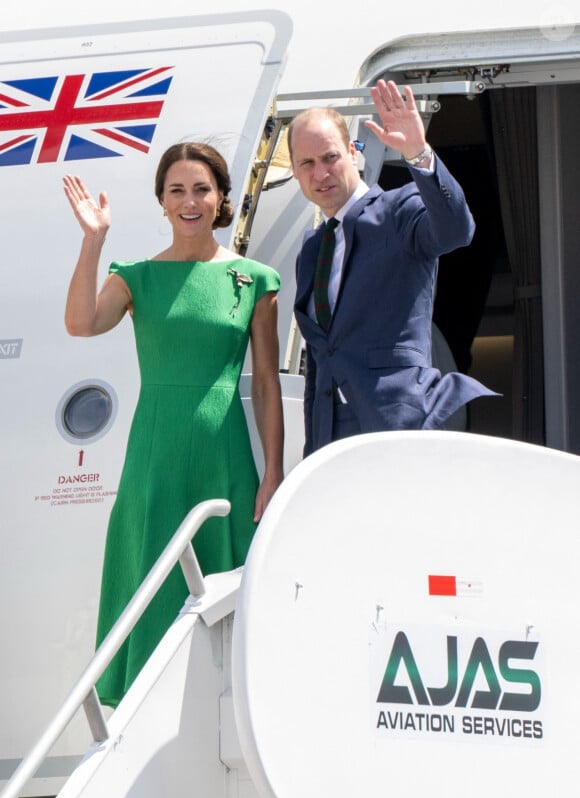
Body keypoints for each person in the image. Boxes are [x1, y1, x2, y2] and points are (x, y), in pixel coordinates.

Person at [64, 141, 284, 707]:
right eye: (177, 190)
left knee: (227, 590)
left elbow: (264, 383)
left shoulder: (255, 279)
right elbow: (81, 323)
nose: (190, 201)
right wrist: (94, 241)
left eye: (201, 189)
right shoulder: (135, 277)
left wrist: (274, 469)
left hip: (226, 454)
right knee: (152, 578)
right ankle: (143, 711)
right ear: (161, 201)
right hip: (155, 454)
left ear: (221, 199)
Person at [289, 79, 497, 456]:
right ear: (295, 170)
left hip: (399, 426)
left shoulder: (399, 210)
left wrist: (419, 154)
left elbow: (456, 230)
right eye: (307, 163)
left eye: (330, 157)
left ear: (354, 153)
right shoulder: (312, 249)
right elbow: (322, 359)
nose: (321, 173)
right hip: (331, 439)